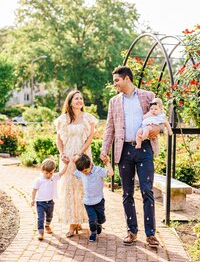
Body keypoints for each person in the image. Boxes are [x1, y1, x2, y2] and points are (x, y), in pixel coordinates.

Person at [100, 65, 161, 247]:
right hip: (124, 150)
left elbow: (159, 119)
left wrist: (154, 131)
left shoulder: (148, 96)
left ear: (127, 79)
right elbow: (110, 127)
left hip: (144, 149)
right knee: (127, 193)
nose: (115, 84)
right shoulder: (114, 102)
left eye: (116, 81)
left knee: (146, 190)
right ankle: (132, 231)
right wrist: (105, 148)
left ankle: (150, 234)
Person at [54, 90, 98, 237]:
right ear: (70, 101)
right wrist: (62, 154)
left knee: (82, 186)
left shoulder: (88, 118)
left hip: (82, 155)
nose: (79, 100)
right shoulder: (63, 119)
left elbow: (90, 137)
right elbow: (59, 140)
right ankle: (72, 223)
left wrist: (80, 153)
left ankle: (80, 219)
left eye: (81, 98)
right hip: (68, 156)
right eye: (76, 98)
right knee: (69, 187)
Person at [73, 153, 114, 242]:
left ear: (90, 164)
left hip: (99, 200)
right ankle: (93, 233)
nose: (84, 173)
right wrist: (74, 160)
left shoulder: (98, 171)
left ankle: (99, 223)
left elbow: (111, 173)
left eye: (86, 170)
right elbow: (74, 171)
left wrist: (107, 162)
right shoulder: (81, 172)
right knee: (92, 220)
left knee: (101, 219)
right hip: (88, 202)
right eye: (82, 171)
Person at [31, 157, 69, 241]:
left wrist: (66, 164)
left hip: (50, 202)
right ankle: (41, 232)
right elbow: (34, 190)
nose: (48, 175)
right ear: (42, 170)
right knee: (40, 218)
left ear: (53, 171)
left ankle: (47, 225)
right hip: (40, 203)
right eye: (46, 173)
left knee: (50, 216)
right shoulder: (39, 180)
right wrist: (32, 199)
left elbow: (62, 173)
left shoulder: (54, 177)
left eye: (51, 173)